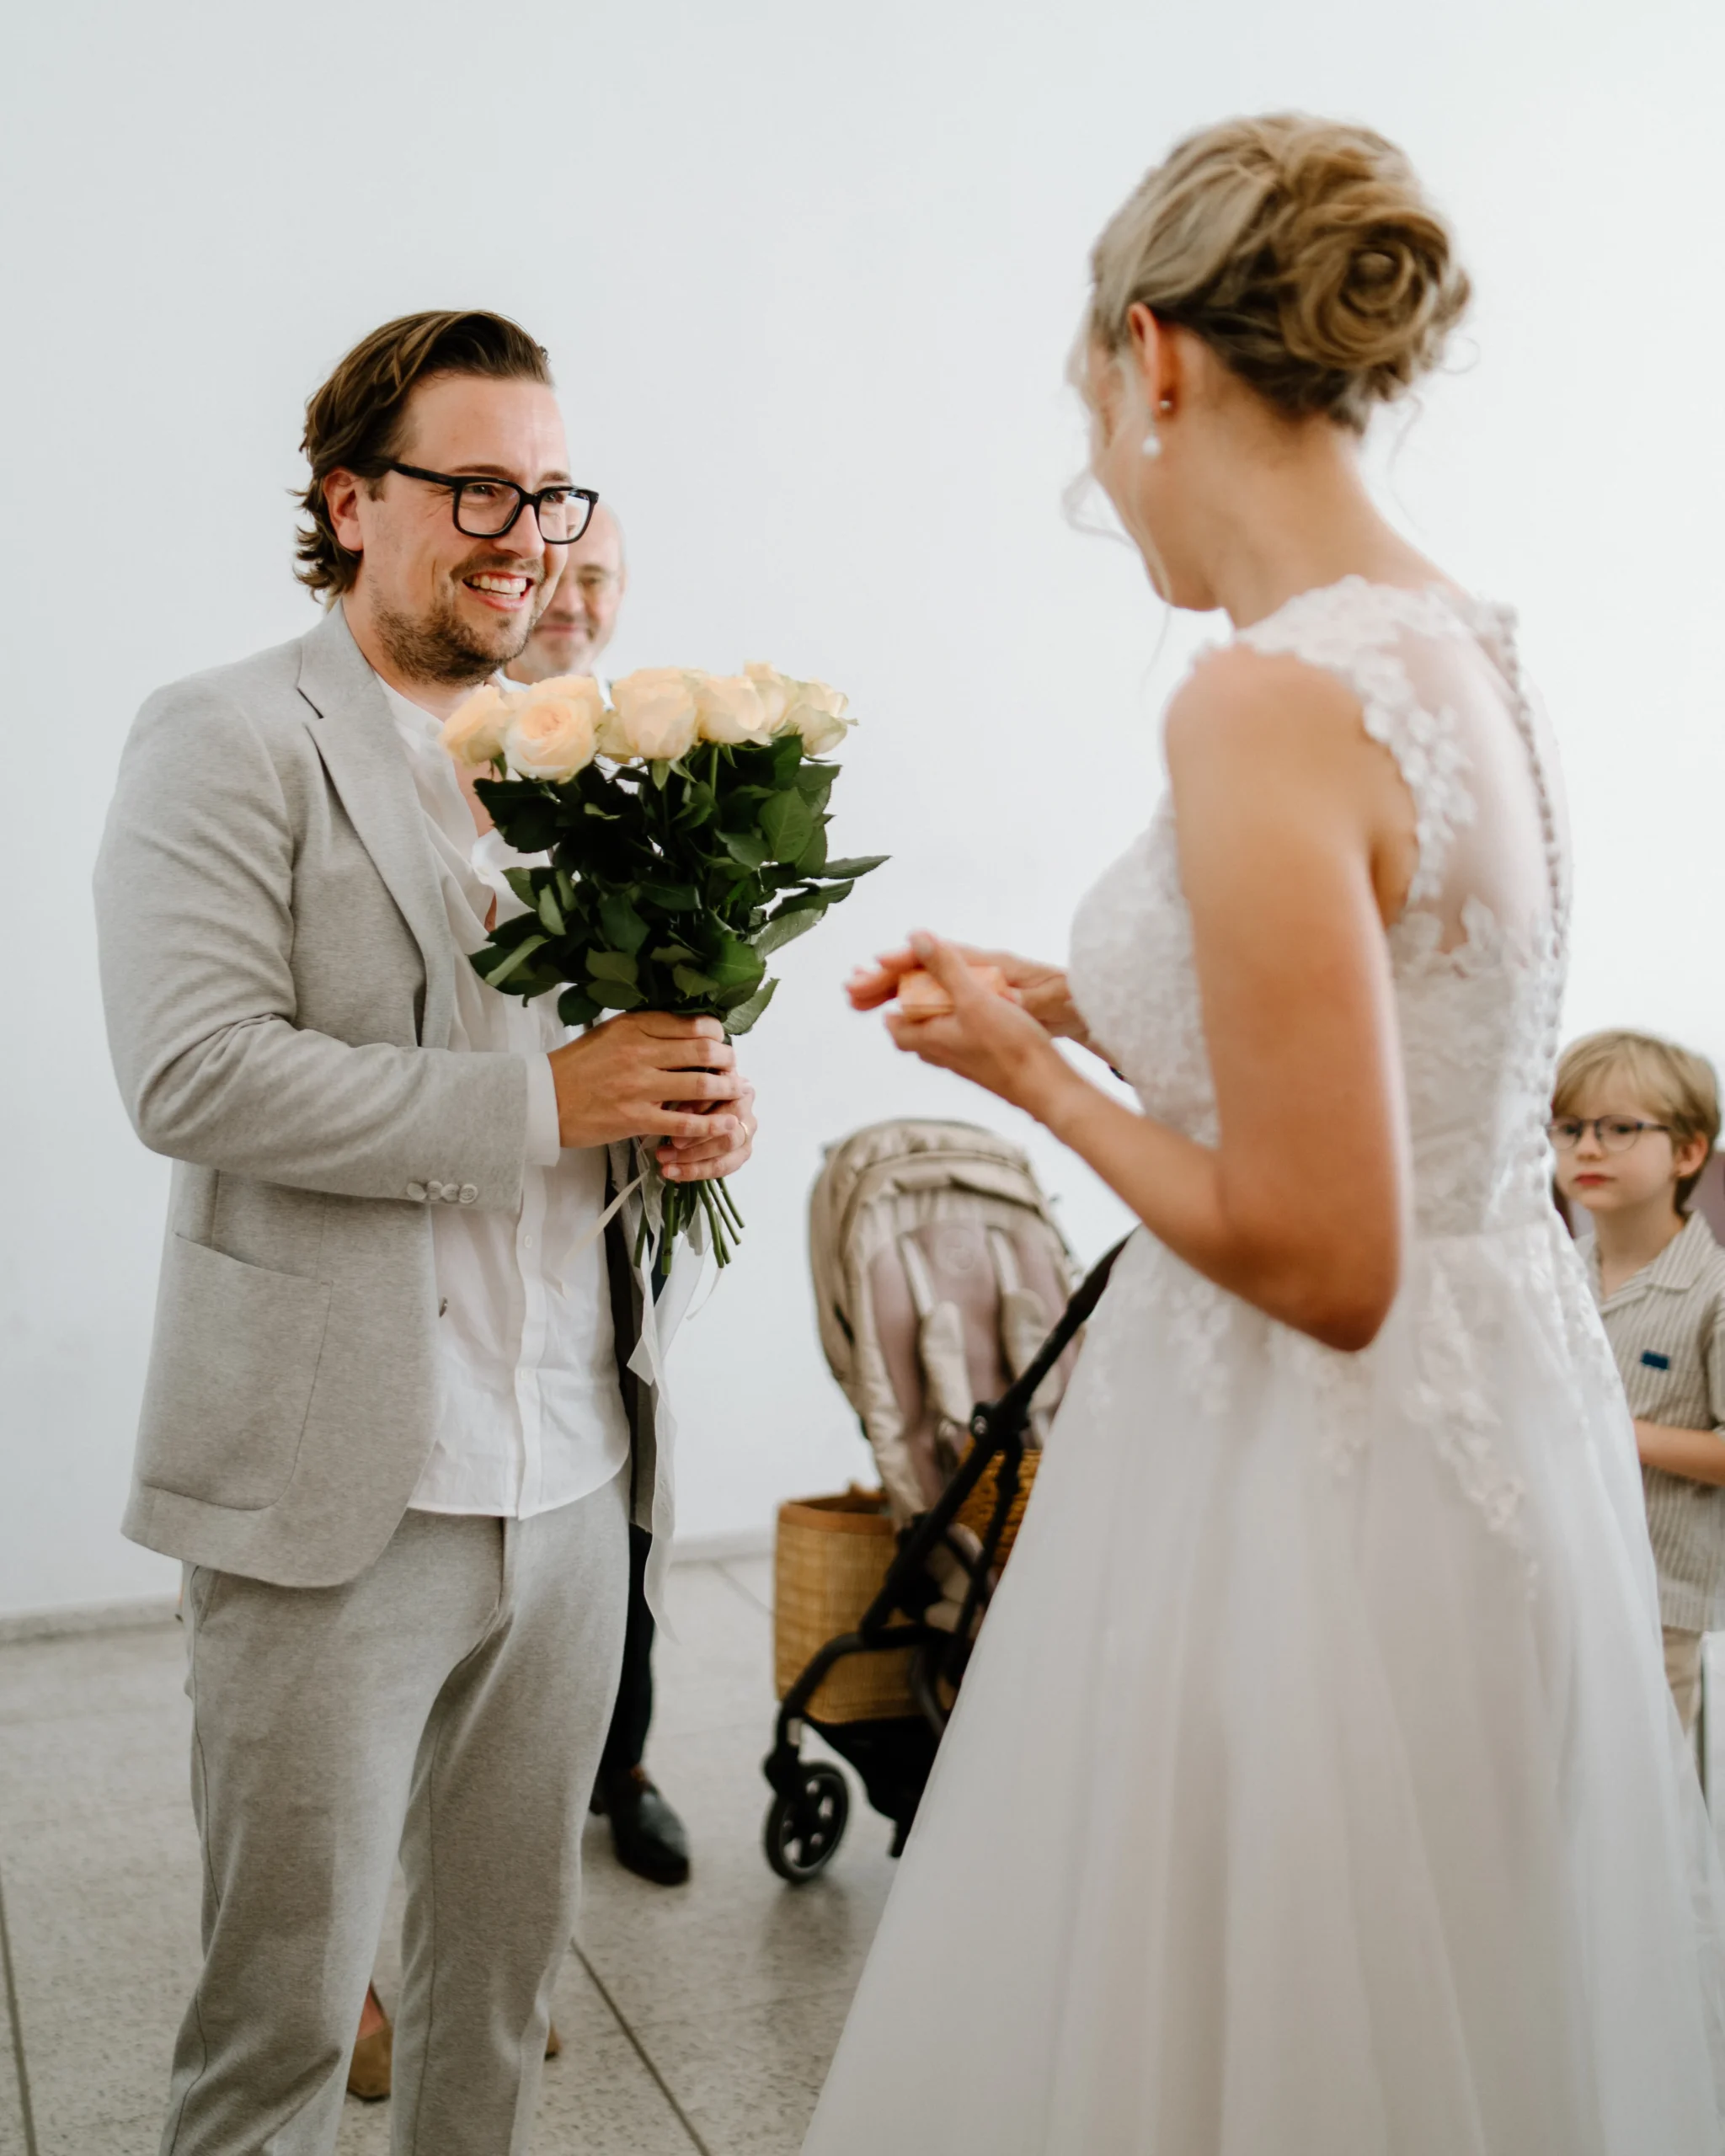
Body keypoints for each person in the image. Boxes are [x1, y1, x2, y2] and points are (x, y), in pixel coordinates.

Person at [809, 116, 1725, 2152]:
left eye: (1091, 411)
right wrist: (1098, 999)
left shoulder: (1257, 698)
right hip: (1486, 1431)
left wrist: (1026, 1077)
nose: (1107, 483)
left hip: (1304, 1481)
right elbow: (1418, 1052)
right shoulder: (1456, 646)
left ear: (1151, 357)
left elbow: (1324, 1251)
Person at [93, 309, 755, 2156]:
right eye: (474, 483)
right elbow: (197, 1073)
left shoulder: (595, 763)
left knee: (496, 1997)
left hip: (570, 1475)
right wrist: (546, 1103)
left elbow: (613, 1080)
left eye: (547, 488)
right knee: (284, 2019)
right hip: (335, 1482)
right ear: (349, 499)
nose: (519, 526)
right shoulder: (227, 734)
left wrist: (686, 1120)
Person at [505, 502, 692, 1887]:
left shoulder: (656, 769)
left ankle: (618, 1763)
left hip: (626, 1207)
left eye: (599, 576)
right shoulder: (468, 758)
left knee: (628, 1502)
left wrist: (708, 1098)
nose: (573, 596)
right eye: (554, 572)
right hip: (496, 1180)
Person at [1551, 1029, 1725, 1735]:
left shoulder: (1713, 1291)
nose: (1586, 1149)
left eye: (1619, 1128)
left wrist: (1619, 1435)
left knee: (1652, 1781)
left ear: (1688, 1152)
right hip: (1556, 1580)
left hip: (1659, 1603)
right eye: (1569, 1129)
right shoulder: (1549, 1274)